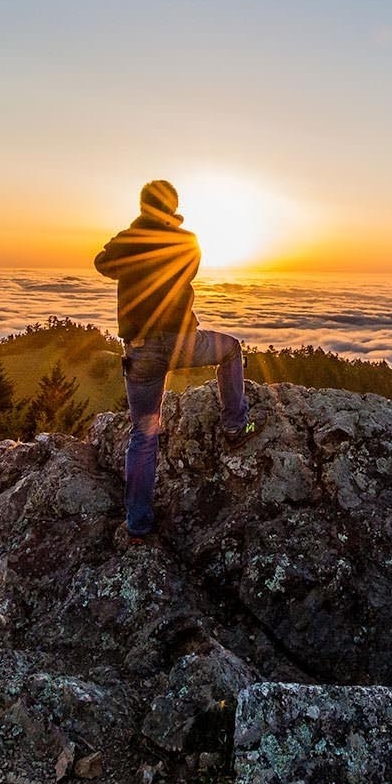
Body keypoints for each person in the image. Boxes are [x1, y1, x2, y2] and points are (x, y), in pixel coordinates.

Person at [94, 179, 254, 541]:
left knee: (144, 435)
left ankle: (138, 525)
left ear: (142, 207)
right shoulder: (187, 241)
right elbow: (188, 269)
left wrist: (135, 232)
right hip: (183, 342)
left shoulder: (130, 240)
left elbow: (103, 263)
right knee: (229, 349)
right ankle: (235, 426)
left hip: (141, 348)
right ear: (172, 207)